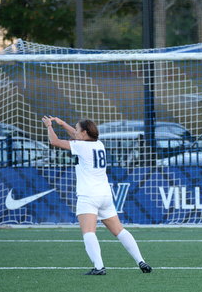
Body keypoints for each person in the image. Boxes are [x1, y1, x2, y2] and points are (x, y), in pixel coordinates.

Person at [42, 116, 152, 275]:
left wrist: (49, 126)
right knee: (119, 231)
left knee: (89, 232)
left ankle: (99, 267)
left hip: (88, 196)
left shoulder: (81, 146)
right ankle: (141, 261)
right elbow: (77, 136)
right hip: (104, 195)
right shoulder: (99, 144)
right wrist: (63, 124)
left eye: (77, 129)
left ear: (84, 132)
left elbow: (54, 141)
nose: (75, 131)